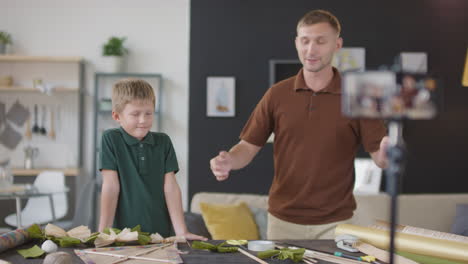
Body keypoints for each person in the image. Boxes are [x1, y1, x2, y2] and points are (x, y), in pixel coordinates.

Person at [210, 9, 389, 240]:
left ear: (337, 44)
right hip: (282, 222)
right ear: (296, 43)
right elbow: (248, 146)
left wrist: (387, 151)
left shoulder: (357, 96)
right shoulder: (277, 94)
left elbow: (380, 158)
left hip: (336, 224)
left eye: (320, 41)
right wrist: (229, 161)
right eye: (305, 41)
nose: (311, 50)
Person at [99, 78, 206, 240]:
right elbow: (111, 187)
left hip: (161, 234)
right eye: (135, 114)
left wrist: (181, 231)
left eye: (148, 113)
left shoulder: (163, 142)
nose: (143, 120)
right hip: (122, 235)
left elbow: (171, 188)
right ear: (117, 116)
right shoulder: (111, 139)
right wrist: (103, 232)